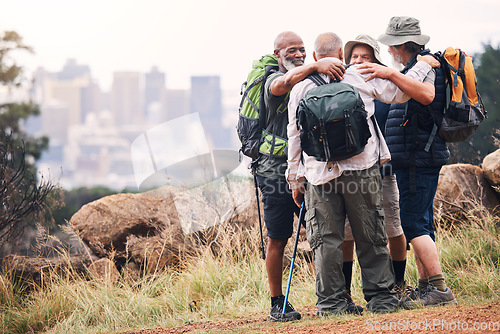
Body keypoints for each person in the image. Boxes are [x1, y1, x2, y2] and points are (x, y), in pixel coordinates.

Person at [286, 32, 439, 315]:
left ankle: (331, 304)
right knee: (371, 234)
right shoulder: (358, 75)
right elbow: (400, 92)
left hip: (320, 175)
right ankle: (381, 298)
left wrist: (295, 179)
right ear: (341, 55)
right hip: (362, 169)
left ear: (316, 57)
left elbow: (294, 136)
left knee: (326, 241)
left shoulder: (301, 87)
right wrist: (425, 64)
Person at [255, 31, 345, 322]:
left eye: (302, 49)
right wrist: (315, 66)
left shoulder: (308, 81)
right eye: (291, 50)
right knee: (278, 238)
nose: (298, 54)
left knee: (325, 233)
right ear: (277, 53)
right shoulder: (272, 79)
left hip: (306, 170)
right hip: (272, 172)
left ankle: (335, 298)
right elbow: (281, 86)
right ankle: (277, 303)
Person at [376, 16, 457, 307]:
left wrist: (388, 75)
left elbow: (426, 96)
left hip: (418, 158)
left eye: (390, 46)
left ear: (401, 45)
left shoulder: (424, 67)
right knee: (420, 221)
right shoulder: (416, 67)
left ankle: (440, 289)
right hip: (416, 157)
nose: (388, 52)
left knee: (413, 223)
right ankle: (426, 288)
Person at [340, 35, 408, 299]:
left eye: (365, 57)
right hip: (352, 174)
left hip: (382, 172)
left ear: (375, 61)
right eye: (354, 57)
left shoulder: (385, 90)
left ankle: (398, 284)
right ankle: (345, 290)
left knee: (393, 227)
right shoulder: (342, 87)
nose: (358, 61)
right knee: (347, 234)